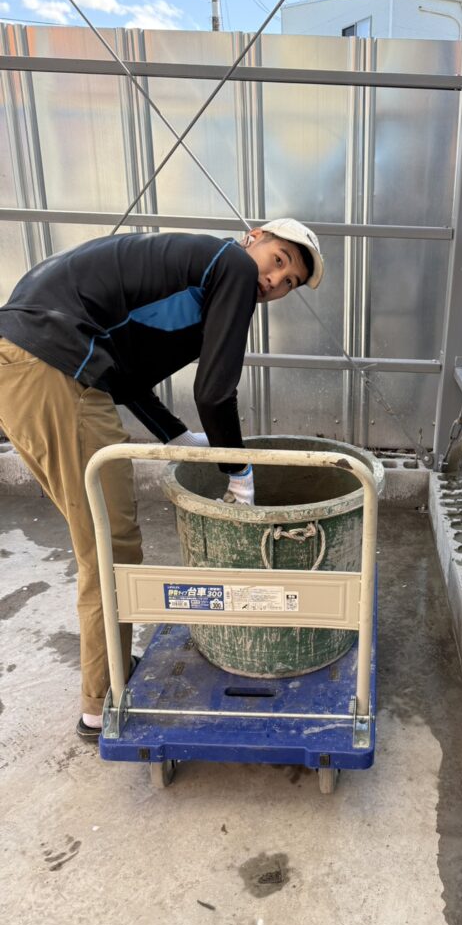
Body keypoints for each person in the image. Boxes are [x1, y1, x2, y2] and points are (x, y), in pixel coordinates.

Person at [0, 219, 323, 739]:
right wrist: (238, 472)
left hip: (24, 361)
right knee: (109, 547)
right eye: (279, 260)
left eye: (289, 283)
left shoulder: (197, 277)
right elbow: (215, 393)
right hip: (51, 369)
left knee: (99, 539)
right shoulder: (231, 265)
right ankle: (102, 700)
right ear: (255, 237)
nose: (274, 281)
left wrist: (174, 434)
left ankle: (108, 674)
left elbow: (124, 374)